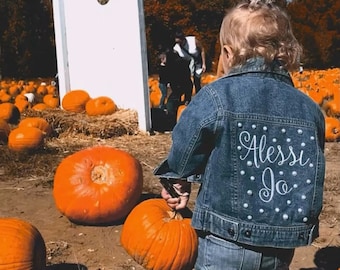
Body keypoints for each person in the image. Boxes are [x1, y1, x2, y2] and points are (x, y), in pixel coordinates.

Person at [154, 1, 326, 269]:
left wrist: (179, 178)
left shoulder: (216, 96)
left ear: (227, 53)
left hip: (224, 240)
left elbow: (186, 144)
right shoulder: (310, 110)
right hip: (280, 245)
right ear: (285, 52)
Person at [173, 29, 206, 97]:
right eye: (177, 42)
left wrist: (204, 64)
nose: (178, 44)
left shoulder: (193, 41)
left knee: (196, 80)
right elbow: (175, 61)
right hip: (186, 64)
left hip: (197, 62)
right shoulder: (176, 49)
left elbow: (202, 50)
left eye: (179, 42)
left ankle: (199, 97)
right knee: (186, 82)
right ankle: (187, 98)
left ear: (183, 39)